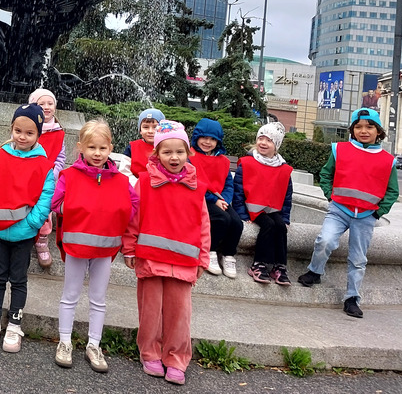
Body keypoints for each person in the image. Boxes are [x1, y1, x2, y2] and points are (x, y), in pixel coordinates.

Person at [123, 120, 210, 386]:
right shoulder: (144, 182)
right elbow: (134, 217)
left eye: (180, 151)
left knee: (179, 314)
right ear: (156, 153)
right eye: (167, 151)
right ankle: (150, 352)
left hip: (184, 262)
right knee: (150, 312)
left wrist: (203, 257)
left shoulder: (197, 187)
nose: (174, 157)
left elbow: (204, 225)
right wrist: (129, 247)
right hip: (151, 259)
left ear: (189, 153)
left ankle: (176, 358)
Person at [52, 118, 137, 372]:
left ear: (111, 148)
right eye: (91, 148)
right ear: (80, 147)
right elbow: (56, 203)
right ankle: (65, 341)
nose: (97, 153)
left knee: (99, 299)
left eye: (102, 148)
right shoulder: (69, 176)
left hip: (105, 248)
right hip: (77, 245)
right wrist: (82, 210)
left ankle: (94, 344)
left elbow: (132, 205)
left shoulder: (121, 180)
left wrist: (112, 215)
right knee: (70, 295)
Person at [297, 108, 399, 318]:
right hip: (339, 210)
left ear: (379, 131)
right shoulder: (340, 149)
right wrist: (330, 196)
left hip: (366, 216)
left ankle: (352, 298)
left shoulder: (388, 160)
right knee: (325, 241)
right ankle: (315, 271)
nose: (364, 131)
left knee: (358, 259)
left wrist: (378, 212)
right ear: (352, 130)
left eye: (369, 127)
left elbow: (392, 191)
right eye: (358, 127)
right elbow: (326, 174)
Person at [0, 103, 55, 354]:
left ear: (38, 134)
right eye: (18, 131)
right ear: (11, 128)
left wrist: (32, 223)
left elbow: (46, 195)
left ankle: (14, 324)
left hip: (24, 232)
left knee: (19, 279)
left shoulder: (43, 164)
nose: (22, 137)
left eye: (29, 133)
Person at [232, 122, 294, 285]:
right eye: (261, 138)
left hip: (272, 209)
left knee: (280, 227)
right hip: (252, 209)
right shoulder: (247, 163)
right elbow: (238, 192)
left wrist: (285, 218)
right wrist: (242, 215)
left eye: (269, 140)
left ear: (276, 145)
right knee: (268, 225)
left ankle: (280, 266)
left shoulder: (284, 169)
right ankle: (258, 264)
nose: (263, 143)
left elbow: (287, 196)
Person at [189, 118, 242, 279]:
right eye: (204, 137)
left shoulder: (223, 161)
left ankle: (228, 254)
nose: (208, 142)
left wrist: (224, 200)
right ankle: (209, 251)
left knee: (237, 222)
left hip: (220, 199)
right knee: (221, 219)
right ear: (197, 136)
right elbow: (192, 183)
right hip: (201, 198)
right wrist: (214, 200)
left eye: (213, 139)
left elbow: (228, 184)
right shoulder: (190, 156)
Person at [28, 88, 64, 269]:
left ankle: (42, 240)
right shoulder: (27, 127)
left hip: (48, 179)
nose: (46, 107)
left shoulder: (59, 132)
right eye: (41, 104)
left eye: (50, 103)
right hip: (28, 176)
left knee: (45, 209)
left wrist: (52, 174)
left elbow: (61, 158)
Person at [124, 108, 165, 179]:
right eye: (146, 127)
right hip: (136, 183)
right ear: (140, 130)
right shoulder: (131, 148)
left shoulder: (168, 147)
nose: (150, 131)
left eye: (155, 127)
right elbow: (124, 171)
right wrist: (137, 183)